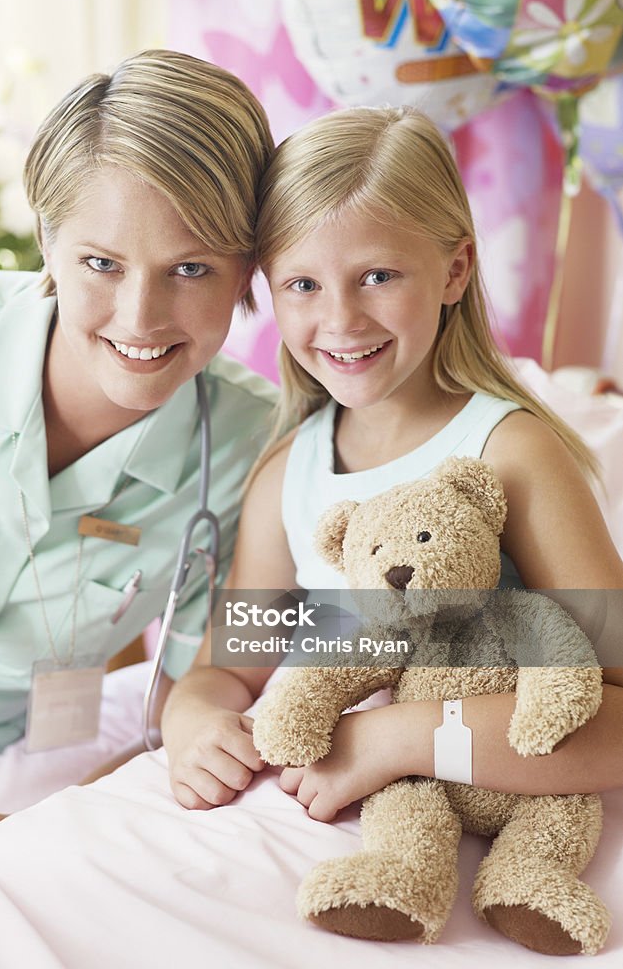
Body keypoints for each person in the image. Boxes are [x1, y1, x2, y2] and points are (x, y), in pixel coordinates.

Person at [0, 49, 277, 871]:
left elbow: (197, 694)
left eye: (191, 269)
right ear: (47, 238)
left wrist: (9, 835)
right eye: (101, 264)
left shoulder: (247, 442)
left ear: (246, 271)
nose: (140, 315)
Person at [162, 105, 623, 822]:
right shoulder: (289, 473)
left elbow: (616, 714)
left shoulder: (511, 454)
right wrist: (194, 724)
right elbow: (225, 668)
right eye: (302, 285)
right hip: (309, 818)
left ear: (454, 270)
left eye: (377, 275)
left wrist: (393, 739)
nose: (341, 320)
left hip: (481, 820)